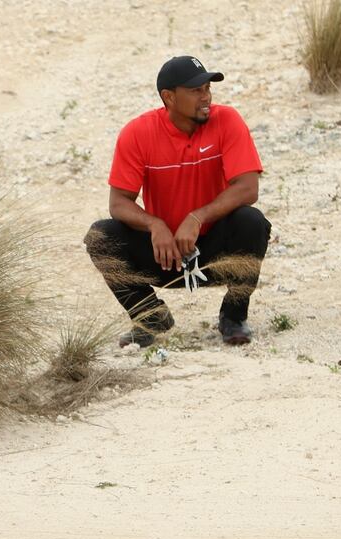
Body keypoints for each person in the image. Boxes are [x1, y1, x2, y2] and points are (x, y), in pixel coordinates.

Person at [85, 55, 271, 347]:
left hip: (214, 252)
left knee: (252, 222)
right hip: (165, 254)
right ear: (168, 97)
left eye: (208, 88)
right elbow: (118, 203)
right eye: (196, 90)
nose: (206, 96)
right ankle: (150, 316)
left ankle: (234, 317)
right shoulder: (138, 133)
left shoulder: (227, 120)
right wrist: (154, 224)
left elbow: (248, 188)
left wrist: (197, 217)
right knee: (100, 236)